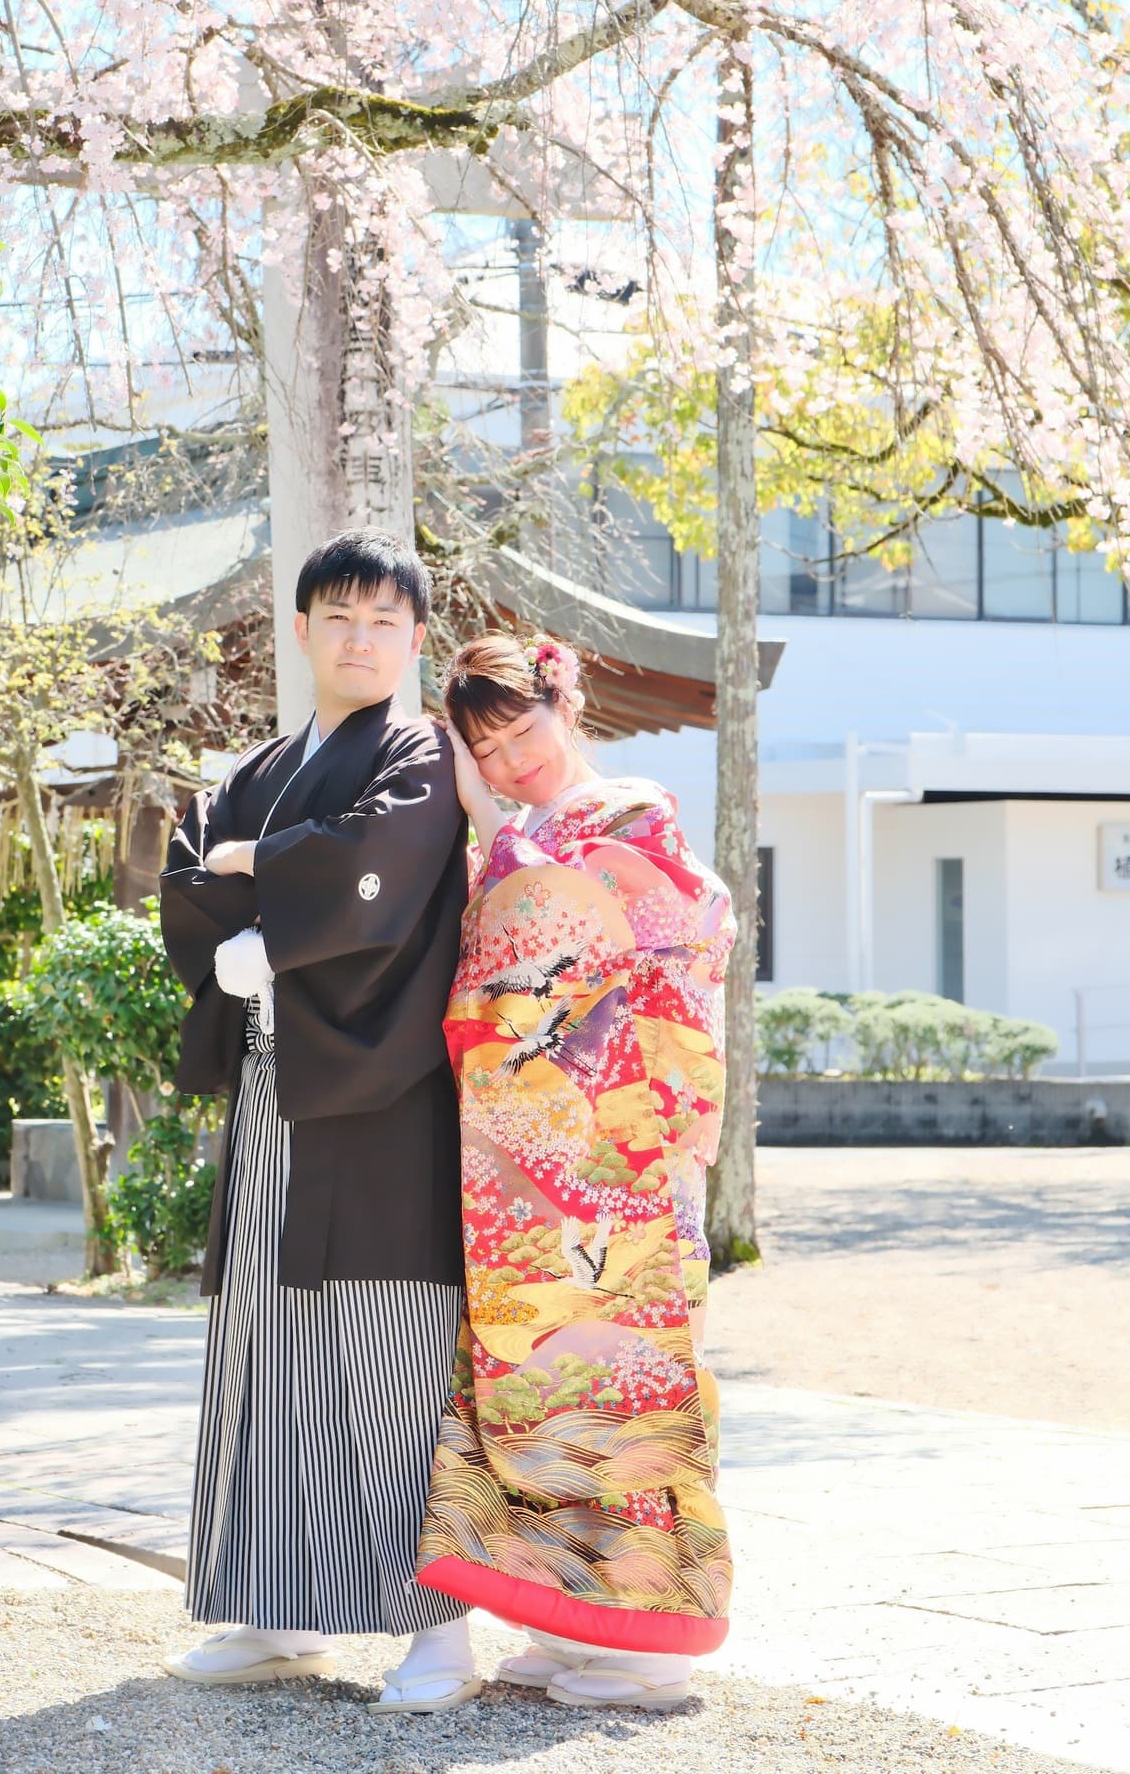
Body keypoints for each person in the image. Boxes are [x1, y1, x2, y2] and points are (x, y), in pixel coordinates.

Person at [157, 530, 479, 1714]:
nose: (361, 638)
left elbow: (377, 876)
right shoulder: (259, 766)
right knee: (269, 1342)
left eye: (385, 621)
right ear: (301, 630)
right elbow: (192, 872)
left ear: (414, 638)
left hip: (380, 1096)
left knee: (391, 1350)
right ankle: (279, 1608)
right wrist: (264, 892)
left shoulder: (419, 753)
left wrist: (270, 901)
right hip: (273, 1091)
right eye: (338, 616)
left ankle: (439, 1631)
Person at [415, 632, 736, 1711]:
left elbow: (605, 953)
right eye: (486, 752)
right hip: (540, 1170)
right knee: (536, 1386)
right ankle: (575, 1623)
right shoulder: (516, 839)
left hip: (623, 1156)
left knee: (627, 1386)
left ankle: (651, 1641)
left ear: (567, 706)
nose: (513, 763)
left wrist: (492, 829)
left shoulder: (631, 813)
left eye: (524, 731)